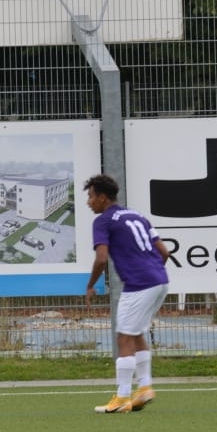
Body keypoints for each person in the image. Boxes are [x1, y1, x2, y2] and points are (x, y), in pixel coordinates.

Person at [83, 173, 172, 414]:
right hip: (160, 280)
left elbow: (101, 259)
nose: (89, 202)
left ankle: (122, 396)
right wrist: (152, 271)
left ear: (102, 198)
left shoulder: (103, 221)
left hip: (139, 284)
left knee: (124, 337)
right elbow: (164, 252)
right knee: (136, 333)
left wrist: (90, 285)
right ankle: (144, 388)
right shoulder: (137, 216)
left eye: (91, 196)